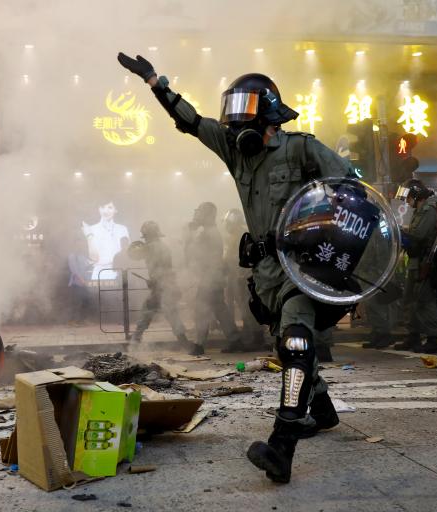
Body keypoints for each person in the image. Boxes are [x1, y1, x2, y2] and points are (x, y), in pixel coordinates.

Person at [118, 53, 352, 483]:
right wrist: (154, 82)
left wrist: (327, 237)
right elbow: (191, 121)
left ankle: (283, 445)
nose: (234, 126)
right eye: (232, 116)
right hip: (265, 272)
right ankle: (322, 410)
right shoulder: (236, 152)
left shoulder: (302, 148)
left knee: (298, 344)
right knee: (287, 344)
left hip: (301, 266)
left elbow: (351, 189)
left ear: (270, 116)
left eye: (245, 115)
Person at [393, 178, 437, 354]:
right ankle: (413, 336)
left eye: (408, 198)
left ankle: (432, 339)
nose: (407, 202)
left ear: (415, 194)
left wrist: (401, 231)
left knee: (424, 301)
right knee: (409, 300)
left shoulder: (428, 210)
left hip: (424, 262)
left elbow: (419, 236)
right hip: (414, 262)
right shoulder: (419, 210)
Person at [185, 202, 241, 355]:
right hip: (213, 277)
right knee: (220, 309)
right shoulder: (211, 231)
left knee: (201, 309)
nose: (197, 215)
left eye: (201, 212)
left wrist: (191, 233)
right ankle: (235, 339)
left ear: (208, 214)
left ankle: (199, 344)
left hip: (209, 278)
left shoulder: (206, 232)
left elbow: (194, 253)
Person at [128, 221, 191, 347]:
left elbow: (159, 268)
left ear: (148, 234)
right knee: (168, 312)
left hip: (162, 285)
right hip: (166, 284)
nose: (144, 238)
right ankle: (182, 339)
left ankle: (136, 338)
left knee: (151, 310)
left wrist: (155, 281)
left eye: (145, 235)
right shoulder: (162, 246)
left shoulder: (152, 247)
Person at [223, 208, 266, 351]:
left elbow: (240, 258)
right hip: (238, 276)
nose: (227, 226)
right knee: (244, 308)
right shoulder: (234, 235)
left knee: (249, 308)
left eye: (228, 223)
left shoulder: (241, 235)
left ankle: (258, 339)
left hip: (244, 276)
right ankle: (251, 337)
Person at [82, 201, 130, 280]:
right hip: (100, 273)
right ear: (99, 209)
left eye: (110, 207)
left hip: (120, 273)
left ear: (116, 210)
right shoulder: (92, 229)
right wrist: (89, 236)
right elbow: (94, 258)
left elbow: (127, 254)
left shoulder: (122, 229)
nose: (105, 211)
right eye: (102, 207)